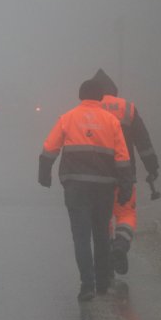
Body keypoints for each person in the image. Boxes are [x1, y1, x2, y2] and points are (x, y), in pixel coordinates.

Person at [38, 79, 133, 302]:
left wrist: (44, 175)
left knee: (81, 237)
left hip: (76, 187)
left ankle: (87, 285)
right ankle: (102, 283)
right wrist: (126, 186)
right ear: (101, 97)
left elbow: (49, 148)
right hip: (104, 188)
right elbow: (122, 157)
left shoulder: (68, 118)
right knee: (101, 235)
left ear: (81, 95)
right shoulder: (111, 121)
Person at [91, 69, 160, 277]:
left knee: (102, 215)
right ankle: (120, 245)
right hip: (125, 173)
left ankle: (107, 250)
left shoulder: (89, 110)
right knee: (126, 213)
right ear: (114, 90)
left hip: (98, 173)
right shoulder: (127, 108)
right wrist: (152, 167)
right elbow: (143, 142)